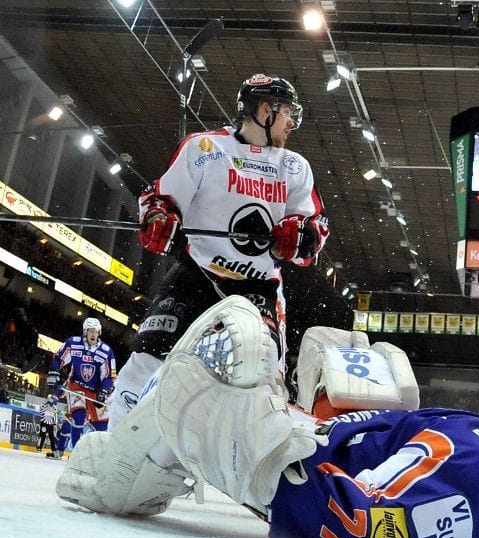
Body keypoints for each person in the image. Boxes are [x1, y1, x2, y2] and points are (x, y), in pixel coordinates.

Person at [58, 296, 479, 538]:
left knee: (233, 345)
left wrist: (267, 459)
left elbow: (356, 526)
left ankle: (126, 470)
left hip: (310, 460)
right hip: (355, 437)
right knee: (348, 350)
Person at [107, 73, 329, 428]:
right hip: (196, 275)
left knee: (262, 384)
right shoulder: (204, 149)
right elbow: (160, 198)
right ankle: (115, 449)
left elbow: (315, 229)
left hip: (257, 290)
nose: (291, 122)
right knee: (146, 359)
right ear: (265, 109)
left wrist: (301, 236)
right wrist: (159, 218)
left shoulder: (294, 167)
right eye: (287, 111)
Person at [47, 317, 116, 449]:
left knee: (102, 426)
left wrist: (103, 390)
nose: (93, 334)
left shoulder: (106, 351)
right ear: (85, 332)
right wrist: (54, 372)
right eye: (90, 331)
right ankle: (75, 452)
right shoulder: (73, 343)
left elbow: (109, 376)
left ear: (99, 333)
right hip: (76, 387)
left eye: (96, 331)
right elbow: (58, 358)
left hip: (95, 391)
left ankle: (99, 454)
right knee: (78, 416)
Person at [37, 394, 62, 458]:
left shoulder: (54, 407)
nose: (51, 399)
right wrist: (47, 406)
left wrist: (55, 424)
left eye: (52, 399)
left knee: (52, 438)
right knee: (42, 435)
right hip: (44, 423)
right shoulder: (44, 404)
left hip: (50, 424)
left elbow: (55, 416)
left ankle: (53, 449)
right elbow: (41, 411)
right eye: (50, 398)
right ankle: (39, 447)